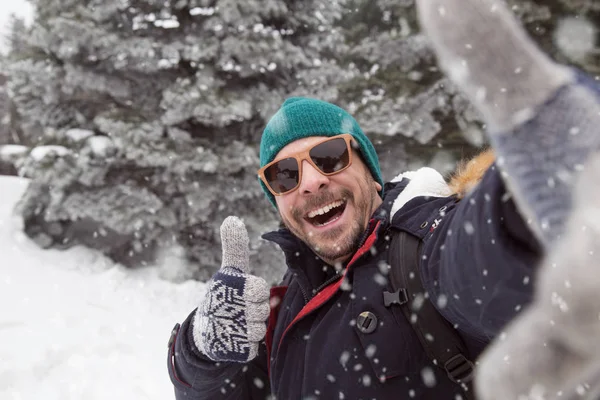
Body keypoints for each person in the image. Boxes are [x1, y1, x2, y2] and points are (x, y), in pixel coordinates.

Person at [167, 0, 600, 398]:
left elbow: (477, 257)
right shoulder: (286, 310)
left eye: (330, 156)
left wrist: (528, 202)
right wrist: (199, 352)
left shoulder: (420, 248)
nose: (312, 181)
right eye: (284, 174)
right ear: (277, 200)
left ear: (372, 175)